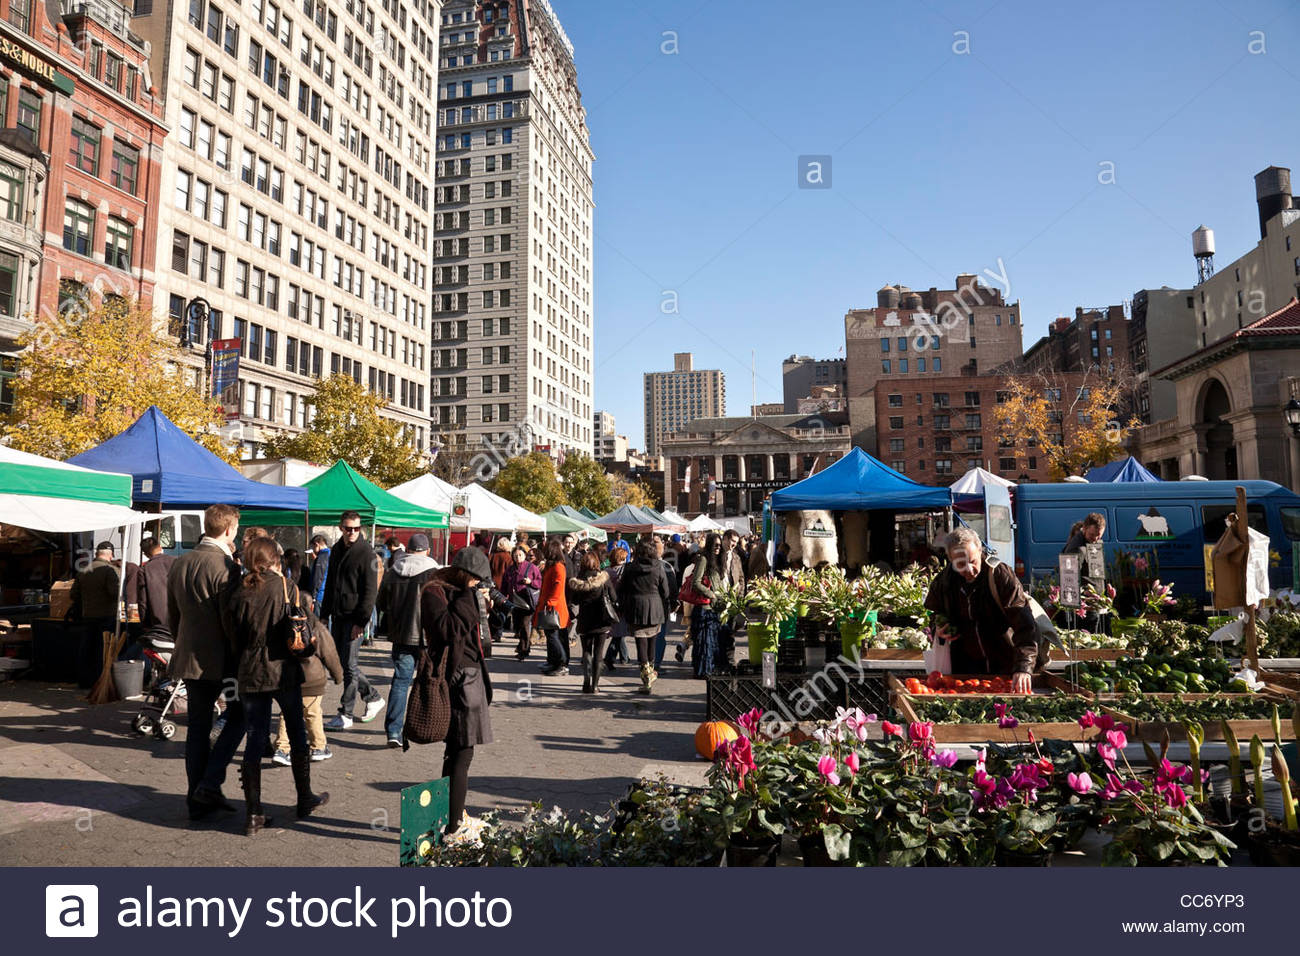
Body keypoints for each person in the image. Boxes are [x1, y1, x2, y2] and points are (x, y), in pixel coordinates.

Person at [223, 538, 329, 834]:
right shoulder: (287, 587)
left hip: (250, 671)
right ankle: (304, 797)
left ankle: (254, 812)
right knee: (296, 733)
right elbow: (304, 628)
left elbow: (232, 636)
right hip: (284, 670)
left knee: (255, 737)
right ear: (273, 559)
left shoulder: (238, 591)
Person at [167, 504, 244, 821]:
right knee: (240, 717)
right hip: (223, 660)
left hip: (190, 656)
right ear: (229, 529)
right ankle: (209, 783)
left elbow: (173, 615)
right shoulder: (226, 565)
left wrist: (182, 643)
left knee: (198, 729)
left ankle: (197, 797)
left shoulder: (181, 562)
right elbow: (233, 620)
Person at [420, 547, 494, 840]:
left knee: (458, 754)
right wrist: (468, 597)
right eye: (476, 580)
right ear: (466, 576)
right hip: (457, 681)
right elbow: (448, 630)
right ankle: (453, 827)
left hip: (470, 677)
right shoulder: (435, 592)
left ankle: (451, 816)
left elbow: (477, 637)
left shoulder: (461, 593)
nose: (479, 585)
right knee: (461, 753)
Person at [924, 527, 1039, 692]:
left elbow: (1025, 625)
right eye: (961, 564)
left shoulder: (1000, 575)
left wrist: (1023, 667)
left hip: (1005, 665)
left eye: (973, 561)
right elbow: (933, 612)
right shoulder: (943, 583)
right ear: (950, 559)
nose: (969, 570)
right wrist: (938, 628)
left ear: (980, 551)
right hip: (964, 671)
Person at [375, 534, 441, 747]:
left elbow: (382, 604)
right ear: (427, 551)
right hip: (427, 636)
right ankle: (422, 725)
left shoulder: (394, 571)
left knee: (401, 682)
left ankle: (394, 731)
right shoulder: (434, 573)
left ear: (409, 550)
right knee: (427, 683)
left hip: (401, 635)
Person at [321, 511, 384, 729]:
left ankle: (346, 713)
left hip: (354, 617)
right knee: (342, 663)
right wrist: (323, 614)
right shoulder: (337, 549)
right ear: (341, 528)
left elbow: (370, 592)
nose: (353, 533)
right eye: (349, 529)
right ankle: (373, 697)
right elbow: (330, 584)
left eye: (356, 529)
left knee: (349, 665)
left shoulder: (366, 553)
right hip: (338, 615)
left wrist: (361, 622)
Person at [270, 609, 343, 766]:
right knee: (313, 713)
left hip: (288, 678)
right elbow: (329, 654)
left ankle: (282, 749)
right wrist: (338, 675)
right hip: (313, 680)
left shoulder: (282, 625)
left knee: (286, 714)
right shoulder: (316, 627)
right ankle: (318, 747)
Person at [618, 541, 672, 693]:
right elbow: (666, 592)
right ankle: (650, 674)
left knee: (640, 642)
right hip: (655, 608)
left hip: (636, 608)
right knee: (652, 641)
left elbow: (621, 589)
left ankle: (646, 678)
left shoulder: (630, 568)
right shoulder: (659, 567)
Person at [566, 551, 616, 693]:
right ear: (596, 563)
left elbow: (574, 601)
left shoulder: (578, 581)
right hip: (601, 619)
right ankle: (595, 685)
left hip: (585, 619)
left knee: (586, 651)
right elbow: (613, 596)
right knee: (599, 653)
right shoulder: (603, 578)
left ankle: (586, 682)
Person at [688, 534, 727, 677]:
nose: (717, 547)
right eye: (715, 545)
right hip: (704, 608)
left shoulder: (718, 561)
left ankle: (708, 669)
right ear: (709, 545)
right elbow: (696, 582)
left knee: (711, 642)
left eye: (719, 545)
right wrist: (711, 594)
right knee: (704, 642)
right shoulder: (703, 559)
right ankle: (703, 670)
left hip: (715, 608)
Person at [1062, 512, 1107, 631]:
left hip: (1097, 601)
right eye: (1093, 535)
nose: (1096, 539)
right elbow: (1069, 578)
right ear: (1085, 528)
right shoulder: (1076, 547)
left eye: (1099, 535)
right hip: (1085, 605)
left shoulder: (1094, 542)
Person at [535, 537, 571, 676]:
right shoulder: (554, 566)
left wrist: (550, 603)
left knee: (554, 637)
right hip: (551, 606)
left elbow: (558, 587)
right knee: (554, 636)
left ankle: (561, 663)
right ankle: (555, 662)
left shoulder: (558, 567)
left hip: (554, 607)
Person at [69, 541, 120, 638]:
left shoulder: (83, 570)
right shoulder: (111, 570)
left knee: (88, 647)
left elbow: (73, 594)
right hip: (107, 616)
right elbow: (115, 593)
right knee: (104, 647)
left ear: (97, 554)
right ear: (111, 555)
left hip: (87, 616)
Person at [501, 546, 542, 660]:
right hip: (514, 602)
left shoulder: (532, 568)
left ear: (525, 556)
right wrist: (503, 598)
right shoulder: (510, 569)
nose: (518, 557)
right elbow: (505, 584)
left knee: (524, 625)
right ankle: (523, 645)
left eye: (520, 555)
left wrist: (531, 582)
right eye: (515, 555)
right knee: (518, 626)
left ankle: (524, 650)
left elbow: (539, 583)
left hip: (527, 602)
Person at [651, 537, 679, 672]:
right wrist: (674, 604)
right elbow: (673, 589)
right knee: (660, 636)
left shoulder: (637, 565)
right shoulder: (666, 567)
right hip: (661, 606)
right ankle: (655, 664)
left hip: (644, 607)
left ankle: (646, 664)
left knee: (646, 636)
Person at [137, 537, 175, 633]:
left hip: (157, 624)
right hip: (179, 619)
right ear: (160, 547)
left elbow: (142, 601)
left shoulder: (145, 569)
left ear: (145, 554)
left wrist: (144, 624)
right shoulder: (177, 562)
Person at [602, 546, 631, 671]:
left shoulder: (606, 571)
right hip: (619, 605)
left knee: (619, 633)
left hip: (608, 606)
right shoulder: (621, 572)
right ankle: (609, 658)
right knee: (619, 634)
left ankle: (625, 657)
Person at [308, 535, 330, 608]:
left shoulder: (321, 558)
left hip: (319, 596)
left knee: (317, 619)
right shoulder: (331, 554)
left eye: (313, 547)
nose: (313, 550)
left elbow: (318, 578)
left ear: (317, 544)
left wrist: (313, 596)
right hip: (328, 595)